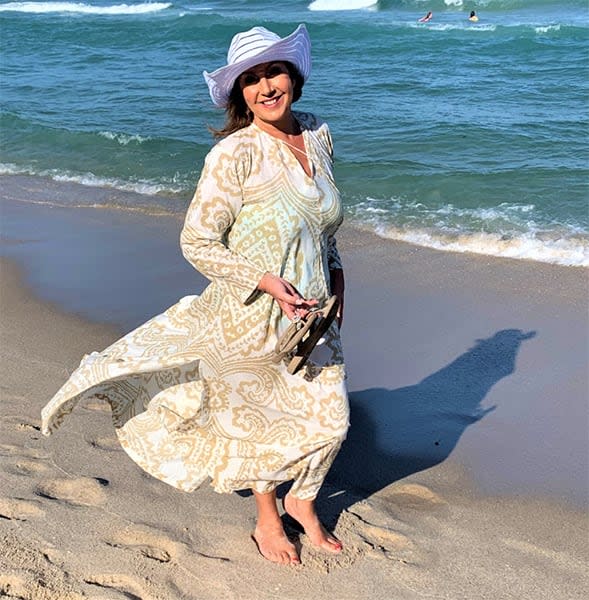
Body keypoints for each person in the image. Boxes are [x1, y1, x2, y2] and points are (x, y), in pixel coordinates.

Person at [41, 23, 349, 567]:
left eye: (273, 71)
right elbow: (197, 241)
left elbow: (322, 228)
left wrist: (338, 280)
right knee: (255, 419)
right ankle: (266, 519)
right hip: (250, 314)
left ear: (294, 77)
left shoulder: (319, 135)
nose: (265, 87)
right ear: (239, 95)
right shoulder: (235, 154)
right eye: (250, 80)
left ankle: (301, 500)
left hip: (316, 312)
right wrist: (266, 282)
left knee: (331, 420)